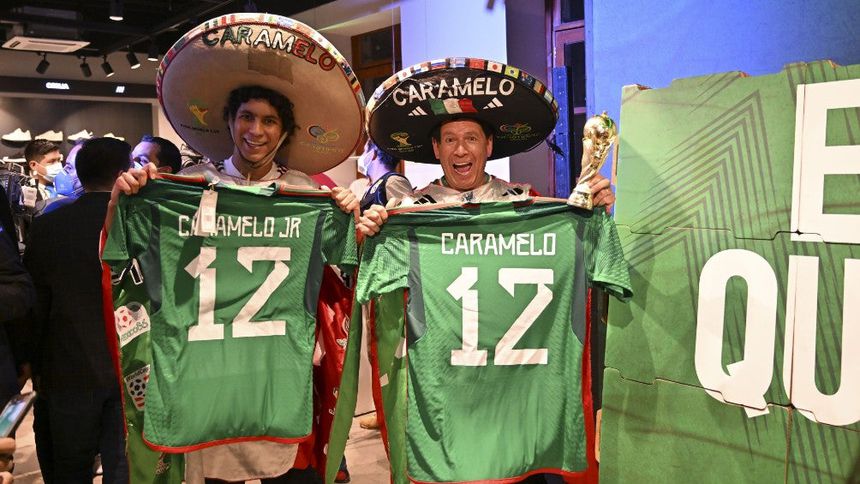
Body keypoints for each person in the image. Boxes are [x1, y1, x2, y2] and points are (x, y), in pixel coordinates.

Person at [110, 13, 366, 484]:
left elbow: (348, 274)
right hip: (204, 373)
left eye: (269, 121)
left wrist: (352, 215)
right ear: (229, 121)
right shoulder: (188, 186)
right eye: (246, 117)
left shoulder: (307, 194)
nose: (256, 130)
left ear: (284, 131)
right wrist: (125, 198)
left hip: (277, 374)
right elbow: (130, 263)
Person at [356, 58, 616, 484]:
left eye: (471, 138)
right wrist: (371, 235)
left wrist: (592, 214)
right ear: (436, 149)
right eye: (450, 140)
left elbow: (577, 265)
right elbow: (380, 305)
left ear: (489, 145)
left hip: (518, 406)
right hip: (449, 406)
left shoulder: (524, 203)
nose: (461, 150)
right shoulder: (409, 215)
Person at [24, 137, 132, 483]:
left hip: (66, 367)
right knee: (124, 466)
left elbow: (35, 304)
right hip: (130, 365)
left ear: (79, 174)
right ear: (124, 171)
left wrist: (32, 363)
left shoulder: (48, 226)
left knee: (71, 467)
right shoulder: (142, 223)